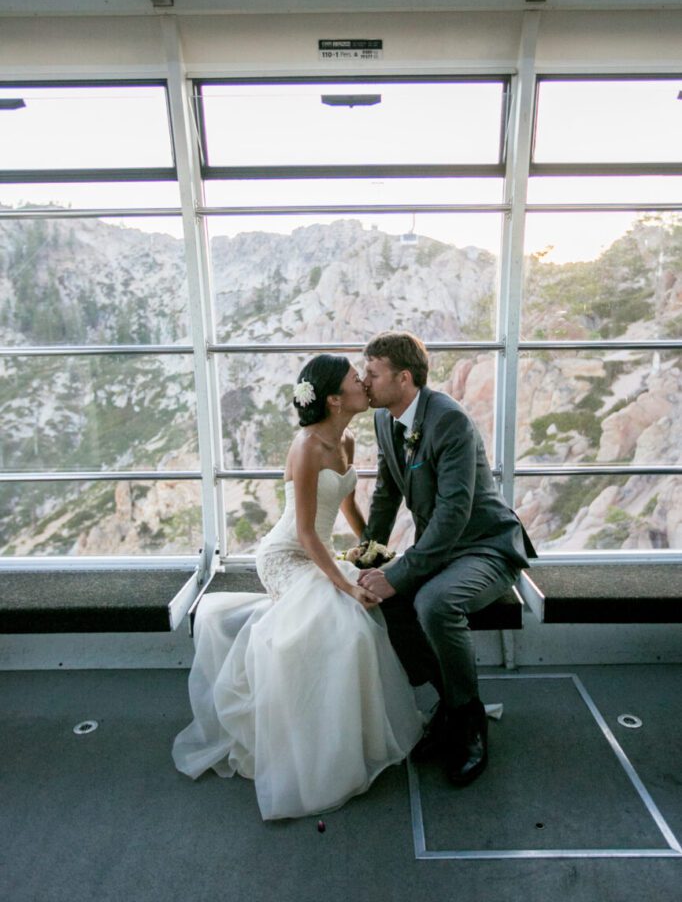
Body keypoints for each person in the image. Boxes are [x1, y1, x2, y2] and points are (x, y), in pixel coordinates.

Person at [172, 354, 423, 820]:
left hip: (319, 555)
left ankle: (349, 735)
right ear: (333, 398)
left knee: (359, 623)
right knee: (345, 626)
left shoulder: (346, 437)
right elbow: (306, 533)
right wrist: (347, 587)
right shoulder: (307, 447)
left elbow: (346, 504)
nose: (365, 383)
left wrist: (367, 545)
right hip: (286, 557)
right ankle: (317, 751)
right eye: (355, 379)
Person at [358, 331, 536, 787]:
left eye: (373, 374)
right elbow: (387, 489)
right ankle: (448, 705)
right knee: (390, 601)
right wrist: (371, 551)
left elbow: (454, 514)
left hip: (485, 546)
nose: (364, 382)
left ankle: (469, 719)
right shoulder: (384, 420)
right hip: (443, 547)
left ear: (403, 377)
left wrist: (401, 572)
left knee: (434, 603)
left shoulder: (450, 421)